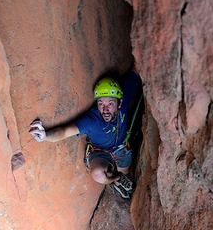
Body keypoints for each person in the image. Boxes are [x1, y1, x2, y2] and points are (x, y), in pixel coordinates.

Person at [29, 70, 141, 199]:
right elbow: (65, 131)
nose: (105, 110)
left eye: (110, 104)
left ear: (119, 103)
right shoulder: (93, 121)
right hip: (100, 152)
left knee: (125, 170)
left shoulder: (124, 97)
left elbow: (135, 71)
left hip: (121, 148)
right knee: (100, 174)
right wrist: (46, 136)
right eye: (100, 104)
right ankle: (117, 179)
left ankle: (118, 179)